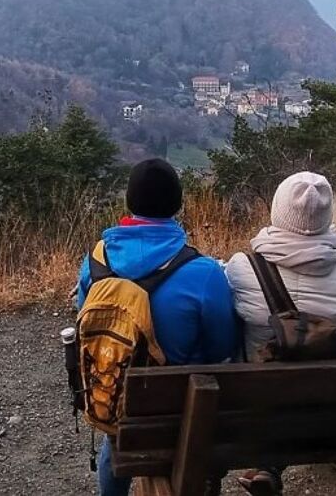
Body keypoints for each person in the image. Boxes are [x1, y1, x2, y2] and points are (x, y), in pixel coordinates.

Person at [75, 158, 239, 496]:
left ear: (129, 203)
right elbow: (223, 347)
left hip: (115, 393)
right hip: (182, 409)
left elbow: (84, 323)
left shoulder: (96, 260)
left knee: (115, 446)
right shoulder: (204, 272)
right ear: (177, 205)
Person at [225, 171, 336, 494]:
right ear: (326, 216)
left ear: (278, 212)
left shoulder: (241, 267)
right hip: (329, 399)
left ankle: (268, 460)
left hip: (260, 398)